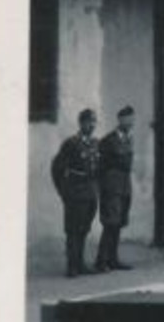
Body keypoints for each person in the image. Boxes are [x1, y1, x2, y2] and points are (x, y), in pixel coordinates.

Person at [50, 107, 102, 277]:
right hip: (75, 193)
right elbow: (57, 168)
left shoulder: (95, 143)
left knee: (84, 229)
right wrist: (64, 192)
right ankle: (72, 266)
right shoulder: (71, 143)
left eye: (94, 122)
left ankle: (80, 264)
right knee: (73, 231)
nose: (92, 125)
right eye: (88, 122)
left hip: (90, 193)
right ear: (81, 123)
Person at [94, 105, 138, 271]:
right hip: (111, 187)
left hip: (124, 186)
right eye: (128, 119)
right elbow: (102, 167)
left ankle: (113, 259)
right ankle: (101, 261)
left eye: (132, 119)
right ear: (120, 120)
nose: (131, 122)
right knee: (110, 223)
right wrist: (104, 187)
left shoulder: (128, 139)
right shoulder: (108, 141)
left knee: (119, 223)